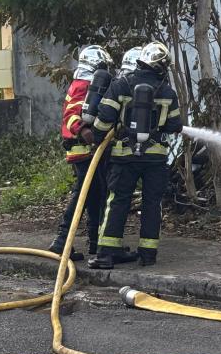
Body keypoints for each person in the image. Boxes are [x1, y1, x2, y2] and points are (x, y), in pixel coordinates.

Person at [88, 42, 182, 269]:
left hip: (123, 156)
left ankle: (105, 255)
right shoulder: (168, 92)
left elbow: (105, 117)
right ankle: (148, 255)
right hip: (156, 159)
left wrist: (96, 137)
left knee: (117, 201)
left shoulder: (121, 85)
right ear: (161, 66)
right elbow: (174, 126)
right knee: (152, 203)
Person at [49, 45, 113, 260]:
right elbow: (72, 115)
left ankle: (95, 243)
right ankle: (61, 241)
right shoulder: (83, 85)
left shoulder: (84, 83)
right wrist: (83, 129)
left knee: (96, 195)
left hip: (88, 151)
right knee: (82, 195)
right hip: (83, 149)